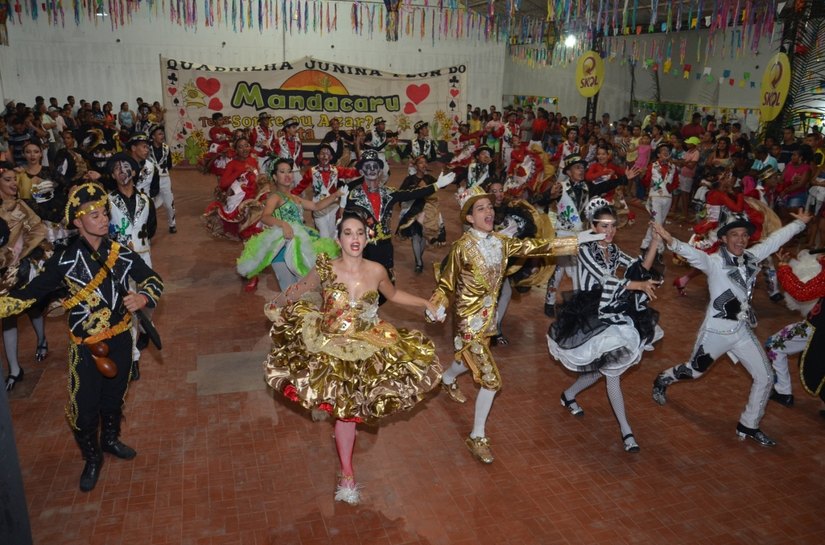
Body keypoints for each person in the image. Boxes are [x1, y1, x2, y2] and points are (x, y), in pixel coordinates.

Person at [263, 211, 444, 505]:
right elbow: (299, 289)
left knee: (354, 411)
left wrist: (425, 302)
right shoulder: (326, 269)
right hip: (330, 347)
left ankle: (344, 447)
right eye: (348, 233)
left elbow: (393, 295)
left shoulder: (377, 270)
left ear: (367, 238)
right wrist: (275, 304)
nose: (355, 238)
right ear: (338, 240)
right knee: (346, 414)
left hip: (367, 346)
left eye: (359, 232)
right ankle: (347, 474)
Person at [0, 182, 163, 491]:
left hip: (120, 339)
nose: (103, 219)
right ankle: (92, 458)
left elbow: (153, 279)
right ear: (77, 221)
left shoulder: (120, 252)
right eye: (94, 215)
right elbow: (29, 295)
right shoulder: (63, 260)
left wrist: (144, 297)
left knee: (114, 397)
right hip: (86, 348)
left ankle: (110, 440)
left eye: (104, 213)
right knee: (84, 409)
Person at [429, 185, 603, 464]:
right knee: (491, 380)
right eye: (480, 208)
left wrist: (577, 239)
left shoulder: (501, 242)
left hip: (488, 322)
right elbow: (446, 284)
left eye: (489, 206)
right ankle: (477, 436)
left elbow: (536, 246)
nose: (488, 211)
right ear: (470, 218)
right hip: (468, 325)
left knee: (466, 362)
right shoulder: (461, 247)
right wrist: (436, 304)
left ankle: (447, 378)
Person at [650, 208, 813, 446]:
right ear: (724, 239)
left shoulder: (752, 257)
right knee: (694, 371)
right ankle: (664, 378)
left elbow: (774, 240)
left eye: (744, 235)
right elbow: (694, 255)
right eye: (734, 234)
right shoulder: (715, 262)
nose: (740, 239)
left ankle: (748, 425)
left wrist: (799, 224)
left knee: (766, 377)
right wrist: (670, 240)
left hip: (742, 331)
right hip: (715, 333)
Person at [548, 199, 663, 452]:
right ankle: (626, 430)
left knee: (604, 368)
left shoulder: (614, 250)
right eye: (604, 226)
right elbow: (606, 279)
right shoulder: (586, 250)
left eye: (612, 226)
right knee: (611, 371)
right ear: (593, 227)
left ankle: (568, 395)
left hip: (611, 309)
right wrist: (638, 285)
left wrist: (655, 242)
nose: (609, 231)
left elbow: (639, 268)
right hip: (589, 314)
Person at [345, 149, 454, 285]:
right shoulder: (354, 195)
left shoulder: (389, 193)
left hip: (385, 245)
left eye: (375, 166)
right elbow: (346, 221)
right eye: (368, 166)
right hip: (364, 246)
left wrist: (436, 185)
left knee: (386, 282)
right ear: (361, 171)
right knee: (364, 282)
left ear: (380, 171)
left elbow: (412, 193)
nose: (372, 169)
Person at [236, 158, 340, 291]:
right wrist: (283, 224)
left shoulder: (294, 197)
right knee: (289, 289)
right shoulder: (275, 197)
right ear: (275, 176)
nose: (287, 175)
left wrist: (335, 195)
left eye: (289, 171)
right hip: (282, 246)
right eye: (282, 172)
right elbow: (265, 217)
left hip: (301, 243)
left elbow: (316, 206)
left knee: (303, 287)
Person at [106, 153, 157, 380]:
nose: (122, 172)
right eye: (116, 169)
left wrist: (140, 244)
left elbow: (151, 227)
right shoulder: (107, 201)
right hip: (119, 261)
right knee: (129, 307)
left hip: (144, 258)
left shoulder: (146, 200)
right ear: (112, 175)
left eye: (126, 167)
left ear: (134, 172)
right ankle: (133, 357)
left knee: (148, 300)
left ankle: (146, 327)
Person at [0, 162, 50, 389]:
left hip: (18, 269)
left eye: (14, 179)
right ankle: (14, 369)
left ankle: (42, 339)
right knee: (7, 316)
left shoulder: (21, 206)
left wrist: (21, 254)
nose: (13, 183)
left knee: (32, 307)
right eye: (7, 179)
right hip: (1, 274)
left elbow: (39, 229)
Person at [764, 249, 825, 415]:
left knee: (773, 345)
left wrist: (784, 267)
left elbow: (801, 292)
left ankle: (783, 392)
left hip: (818, 328)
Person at [290, 143, 360, 239]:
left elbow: (354, 173)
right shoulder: (311, 172)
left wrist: (363, 163)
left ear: (331, 157)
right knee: (324, 236)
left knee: (333, 234)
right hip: (319, 207)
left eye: (327, 154)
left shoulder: (337, 170)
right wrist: (286, 195)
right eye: (322, 153)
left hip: (333, 207)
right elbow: (300, 187)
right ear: (318, 156)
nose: (325, 156)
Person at [397, 155, 446, 273]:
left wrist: (442, 179)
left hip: (428, 211)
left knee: (423, 235)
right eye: (421, 163)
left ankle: (418, 259)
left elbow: (442, 185)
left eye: (425, 163)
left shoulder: (429, 178)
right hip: (414, 210)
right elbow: (401, 194)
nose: (424, 165)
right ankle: (419, 262)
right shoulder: (409, 179)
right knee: (415, 236)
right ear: (415, 166)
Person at [147, 125, 176, 234]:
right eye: (159, 134)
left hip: (164, 179)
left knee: (169, 204)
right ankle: (148, 227)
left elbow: (169, 164)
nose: (162, 136)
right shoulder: (147, 149)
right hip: (150, 180)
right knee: (150, 204)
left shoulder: (166, 148)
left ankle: (172, 224)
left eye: (162, 134)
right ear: (153, 136)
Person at [272, 117, 303, 186]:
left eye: (296, 127)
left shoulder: (298, 140)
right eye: (293, 127)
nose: (296, 129)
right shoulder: (279, 141)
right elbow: (275, 157)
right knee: (286, 190)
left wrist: (299, 164)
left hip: (296, 170)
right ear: (287, 129)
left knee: (301, 189)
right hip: (285, 171)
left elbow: (300, 155)